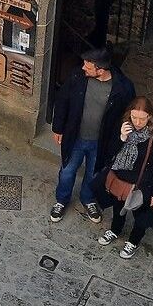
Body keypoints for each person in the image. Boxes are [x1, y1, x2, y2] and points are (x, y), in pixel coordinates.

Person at [49, 47, 135, 223]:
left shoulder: (123, 88)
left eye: (88, 67)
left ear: (100, 70)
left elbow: (127, 115)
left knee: (93, 174)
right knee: (67, 171)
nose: (83, 68)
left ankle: (88, 199)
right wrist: (58, 128)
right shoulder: (77, 76)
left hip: (100, 142)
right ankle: (62, 199)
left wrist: (121, 139)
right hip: (76, 137)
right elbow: (63, 100)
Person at [94, 97, 153, 259]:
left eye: (142, 118)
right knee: (118, 208)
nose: (138, 122)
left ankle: (133, 241)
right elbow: (110, 153)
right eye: (134, 117)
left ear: (150, 117)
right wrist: (121, 138)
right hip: (120, 180)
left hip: (141, 184)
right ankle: (115, 230)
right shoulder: (123, 127)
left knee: (141, 216)